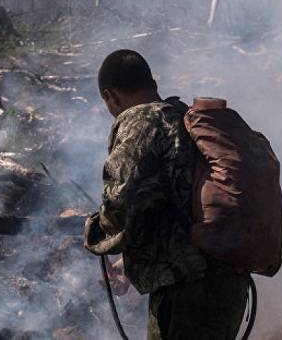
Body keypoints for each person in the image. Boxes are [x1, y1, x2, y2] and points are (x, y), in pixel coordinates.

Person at [84, 49, 249, 340]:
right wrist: (130, 261)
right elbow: (178, 206)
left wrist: (94, 232)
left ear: (111, 96)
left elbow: (121, 204)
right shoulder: (184, 119)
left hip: (188, 292)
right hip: (228, 281)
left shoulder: (140, 123)